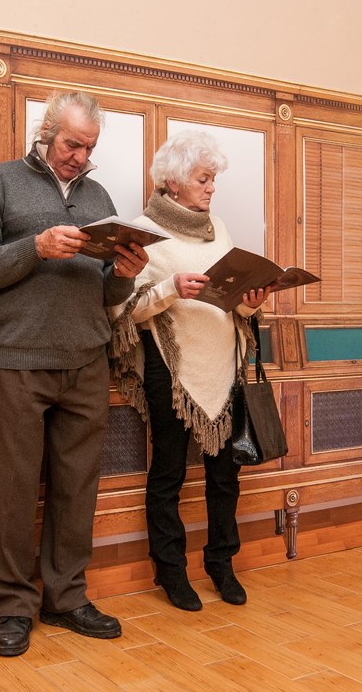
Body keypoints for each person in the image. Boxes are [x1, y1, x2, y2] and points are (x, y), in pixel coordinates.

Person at [0, 90, 149, 656]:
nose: (80, 158)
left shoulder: (99, 198)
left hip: (87, 359)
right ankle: (14, 607)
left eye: (89, 148)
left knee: (77, 488)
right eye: (72, 145)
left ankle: (66, 598)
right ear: (46, 133)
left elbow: (106, 293)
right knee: (14, 491)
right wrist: (35, 247)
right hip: (18, 359)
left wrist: (125, 273)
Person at [109, 130, 271, 612]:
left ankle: (222, 563)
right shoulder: (143, 232)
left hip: (225, 366)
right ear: (175, 181)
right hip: (172, 370)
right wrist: (171, 289)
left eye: (213, 178)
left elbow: (232, 300)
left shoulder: (218, 227)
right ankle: (170, 570)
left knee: (225, 476)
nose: (212, 188)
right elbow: (125, 312)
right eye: (203, 179)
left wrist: (250, 302)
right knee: (169, 475)